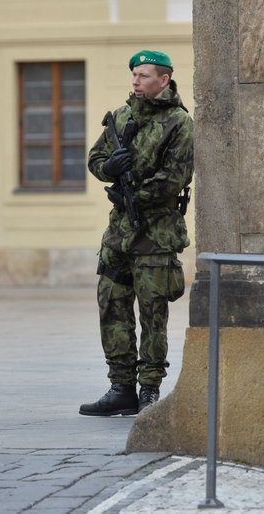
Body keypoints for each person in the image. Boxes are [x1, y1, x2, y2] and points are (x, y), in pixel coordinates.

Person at [79, 49, 194, 417]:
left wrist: (134, 195)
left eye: (144, 76)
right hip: (119, 234)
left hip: (156, 232)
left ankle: (149, 389)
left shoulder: (178, 122)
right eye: (134, 75)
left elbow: (174, 179)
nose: (136, 82)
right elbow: (95, 159)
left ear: (164, 79)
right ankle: (121, 386)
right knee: (111, 304)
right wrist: (108, 168)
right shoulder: (122, 116)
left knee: (152, 312)